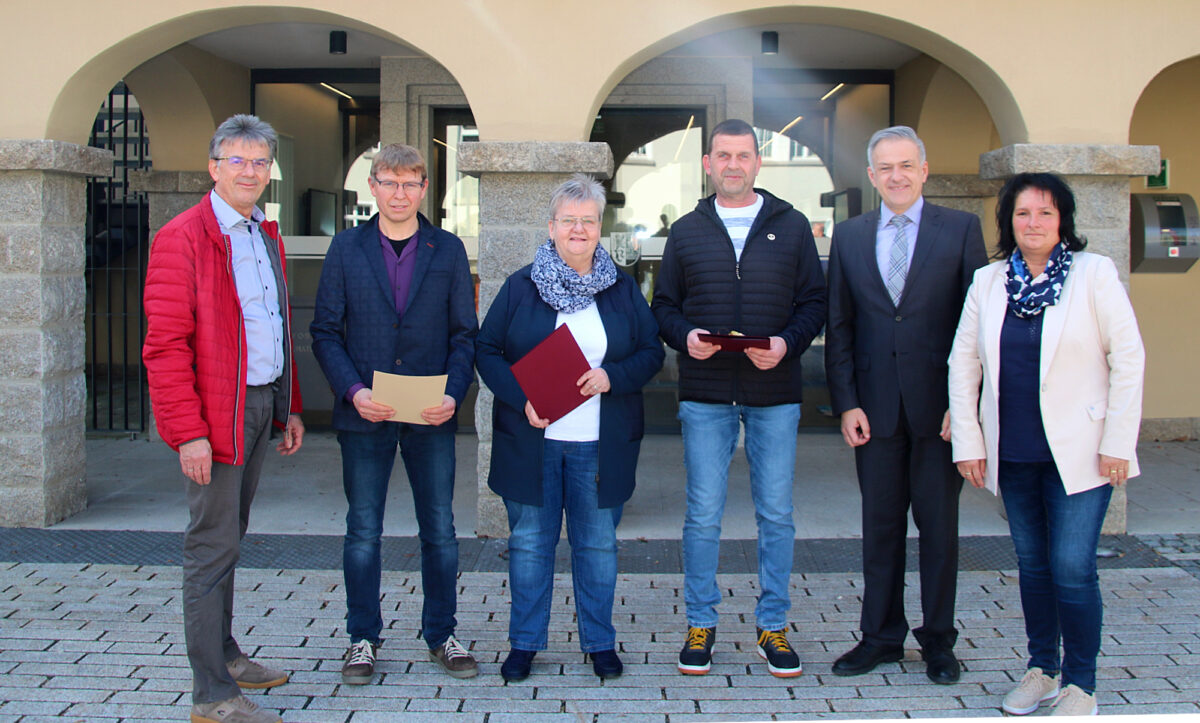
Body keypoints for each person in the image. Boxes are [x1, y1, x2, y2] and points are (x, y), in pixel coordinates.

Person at [949, 172, 1144, 716]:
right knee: (1033, 566)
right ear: (1008, 221)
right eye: (1022, 213)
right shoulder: (988, 282)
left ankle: (1082, 684)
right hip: (1013, 452)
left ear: (1064, 221)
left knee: (1072, 566)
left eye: (1046, 213)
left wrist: (1118, 443)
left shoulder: (1093, 274)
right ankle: (1043, 670)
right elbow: (963, 364)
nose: (1033, 223)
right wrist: (969, 440)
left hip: (1082, 452)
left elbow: (1128, 360)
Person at [143, 114, 304, 723]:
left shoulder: (264, 234)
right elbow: (164, 346)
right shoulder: (183, 237)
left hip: (259, 405)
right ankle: (212, 693)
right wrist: (187, 432)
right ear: (214, 168)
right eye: (236, 160)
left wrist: (284, 405)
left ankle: (228, 655)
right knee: (211, 545)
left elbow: (271, 327)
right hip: (215, 413)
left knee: (230, 538)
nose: (250, 171)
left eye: (260, 162)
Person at [651, 119, 827, 678]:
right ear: (708, 163)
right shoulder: (686, 230)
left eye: (743, 155)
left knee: (775, 513)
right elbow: (664, 306)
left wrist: (786, 343)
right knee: (703, 515)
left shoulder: (793, 226)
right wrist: (684, 339)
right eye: (722, 155)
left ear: (758, 162)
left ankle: (772, 625)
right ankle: (700, 623)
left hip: (774, 390)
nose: (733, 164)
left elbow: (814, 303)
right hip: (705, 392)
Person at [476, 174, 664, 682]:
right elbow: (486, 351)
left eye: (588, 220)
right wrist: (523, 399)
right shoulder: (521, 285)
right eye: (568, 220)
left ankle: (600, 643)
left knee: (598, 546)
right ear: (552, 226)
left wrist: (611, 376)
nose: (578, 229)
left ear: (600, 227)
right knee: (531, 545)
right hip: (533, 442)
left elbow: (652, 353)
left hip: (600, 447)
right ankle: (524, 644)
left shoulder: (622, 289)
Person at [310, 143, 479, 683]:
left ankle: (442, 634)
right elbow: (324, 332)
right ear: (373, 187)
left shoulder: (448, 249)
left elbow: (463, 334)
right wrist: (353, 391)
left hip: (431, 413)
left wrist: (455, 393)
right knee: (363, 531)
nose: (400, 193)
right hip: (366, 413)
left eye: (410, 183)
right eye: (390, 182)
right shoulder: (345, 248)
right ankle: (362, 638)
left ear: (425, 189)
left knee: (441, 531)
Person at [824, 125, 987, 684]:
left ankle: (939, 642)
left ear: (924, 170)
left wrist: (963, 407)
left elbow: (978, 329)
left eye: (906, 165)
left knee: (940, 531)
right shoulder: (848, 238)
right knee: (881, 528)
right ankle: (881, 638)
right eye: (885, 167)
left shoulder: (962, 230)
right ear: (872, 176)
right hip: (874, 411)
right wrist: (846, 403)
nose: (896, 176)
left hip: (940, 415)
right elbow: (839, 326)